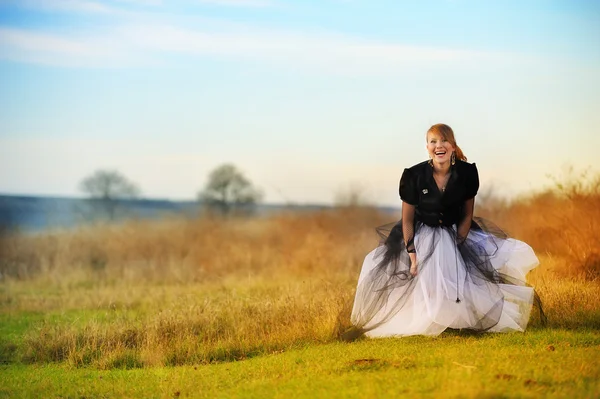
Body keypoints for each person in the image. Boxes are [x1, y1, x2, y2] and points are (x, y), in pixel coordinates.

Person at [348, 123, 544, 338]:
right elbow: (407, 219)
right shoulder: (413, 175)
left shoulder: (467, 173)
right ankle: (429, 320)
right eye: (433, 142)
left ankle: (453, 321)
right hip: (420, 233)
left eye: (443, 141)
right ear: (427, 147)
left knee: (458, 279)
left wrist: (458, 243)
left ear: (452, 146)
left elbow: (467, 214)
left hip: (455, 231)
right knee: (425, 278)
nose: (438, 146)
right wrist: (412, 254)